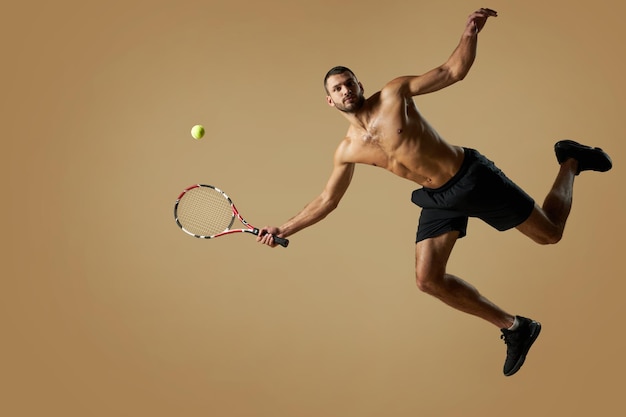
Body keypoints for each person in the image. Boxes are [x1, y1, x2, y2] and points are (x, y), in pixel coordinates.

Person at [256, 8, 612, 376]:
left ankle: (570, 159)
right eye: (337, 88)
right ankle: (516, 327)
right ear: (330, 101)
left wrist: (470, 33)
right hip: (437, 197)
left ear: (361, 85)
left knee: (550, 233)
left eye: (350, 82)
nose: (346, 90)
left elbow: (450, 72)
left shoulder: (394, 94)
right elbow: (327, 200)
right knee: (428, 279)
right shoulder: (347, 150)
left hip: (471, 177)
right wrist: (284, 229)